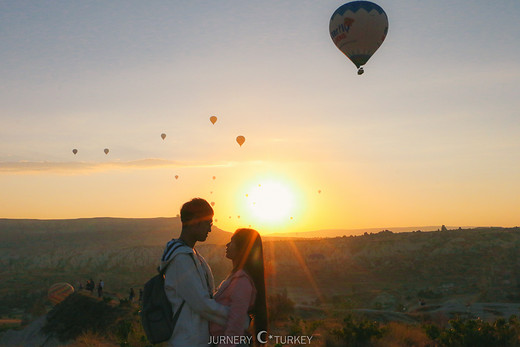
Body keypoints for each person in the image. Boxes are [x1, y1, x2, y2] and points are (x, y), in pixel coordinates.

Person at [159, 198, 229, 347]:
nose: (210, 229)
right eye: (208, 223)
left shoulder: (191, 255)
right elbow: (202, 304)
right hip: (188, 341)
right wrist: (237, 318)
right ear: (196, 221)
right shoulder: (181, 260)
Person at [210, 228, 268, 347]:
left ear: (243, 249)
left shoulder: (242, 282)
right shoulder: (237, 278)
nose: (227, 245)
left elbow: (235, 326)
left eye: (232, 242)